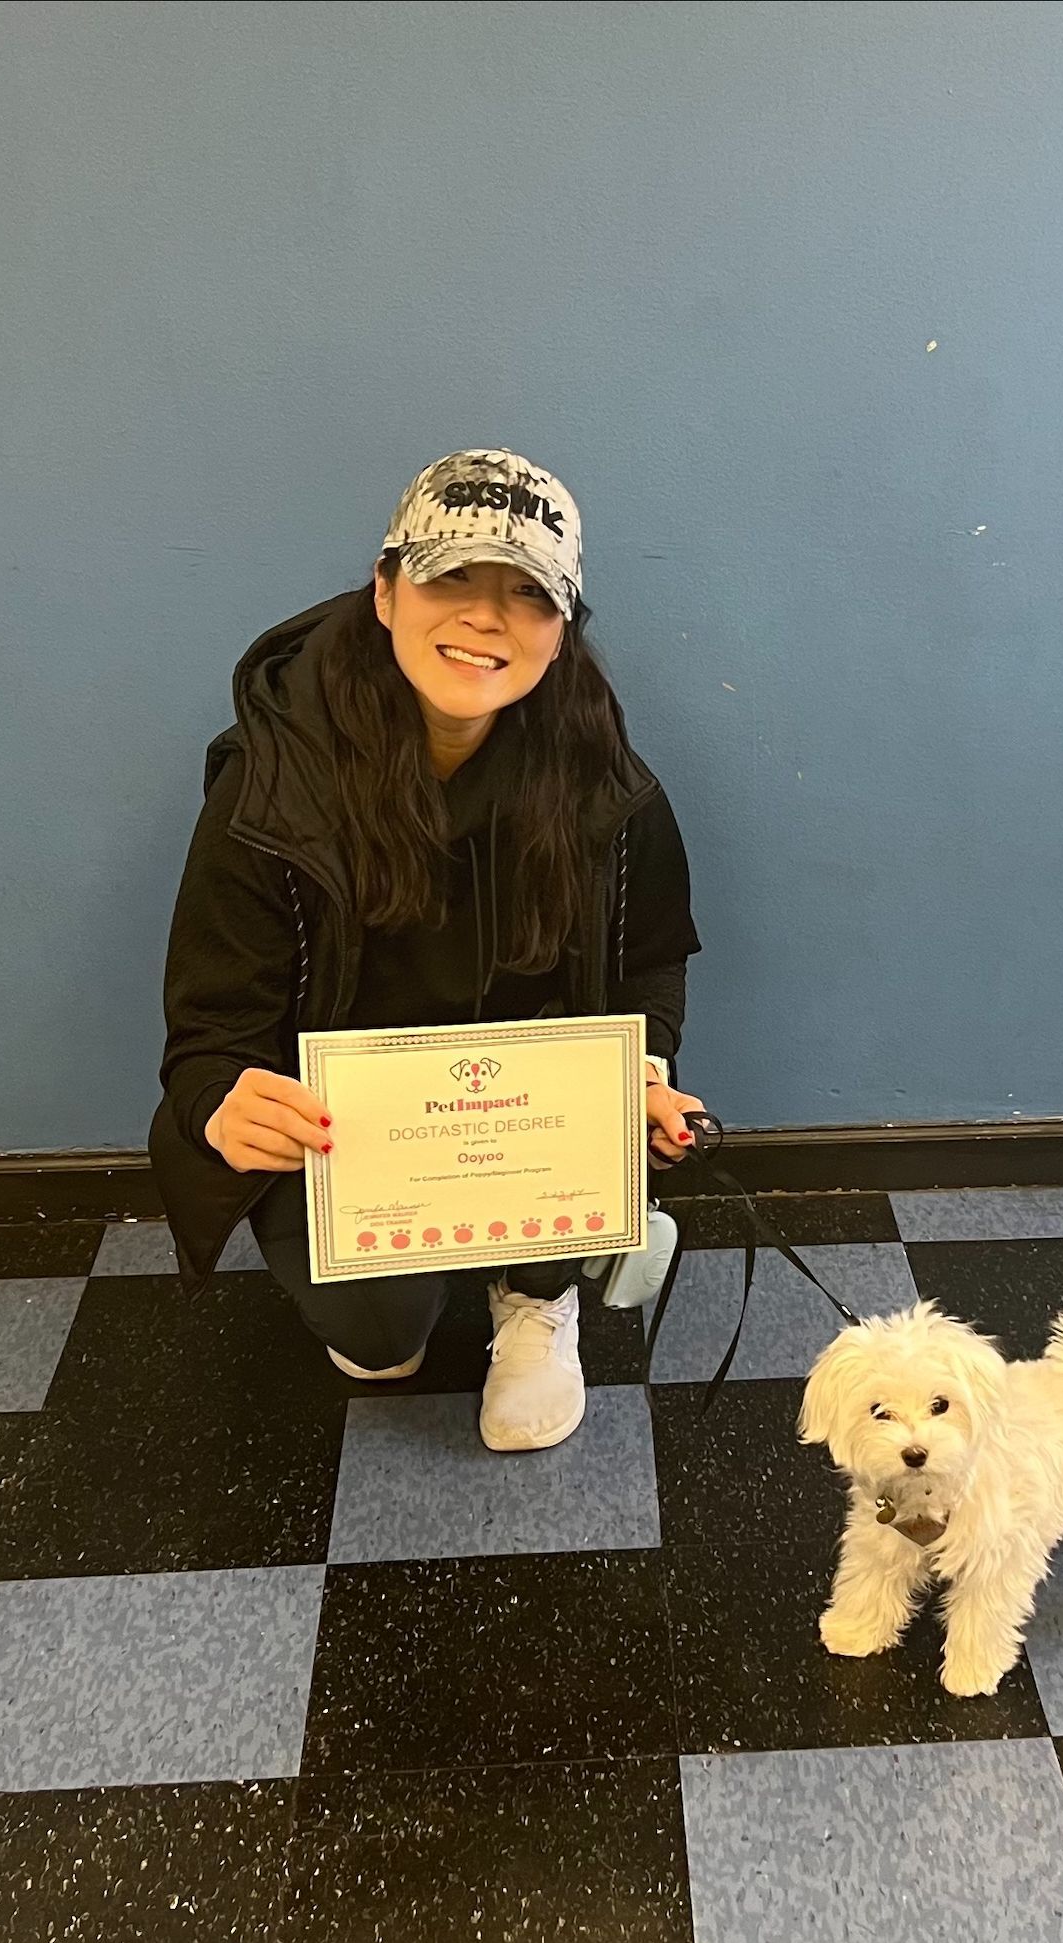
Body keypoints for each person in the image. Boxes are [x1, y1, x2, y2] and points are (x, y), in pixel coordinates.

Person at [150, 449, 705, 1451]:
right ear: (384, 588)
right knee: (378, 1330)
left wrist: (645, 1071)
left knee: (588, 1146)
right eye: (452, 576)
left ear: (561, 628)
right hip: (352, 1134)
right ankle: (398, 1293)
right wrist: (223, 1099)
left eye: (526, 593)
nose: (486, 616)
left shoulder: (609, 788)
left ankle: (537, 1293)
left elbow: (647, 964)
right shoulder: (271, 790)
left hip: (530, 1119)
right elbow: (209, 1029)